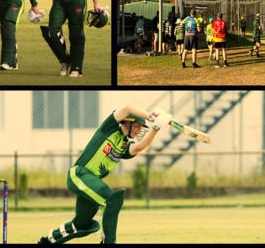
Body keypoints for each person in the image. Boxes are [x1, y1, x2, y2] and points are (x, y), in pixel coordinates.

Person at [36, 104, 173, 244]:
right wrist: (151, 117)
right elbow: (127, 108)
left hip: (91, 182)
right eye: (137, 126)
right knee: (112, 199)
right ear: (128, 122)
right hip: (79, 174)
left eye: (141, 128)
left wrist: (156, 128)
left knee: (81, 225)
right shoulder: (109, 128)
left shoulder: (124, 146)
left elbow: (140, 146)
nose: (139, 131)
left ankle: (46, 241)